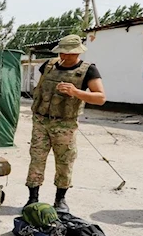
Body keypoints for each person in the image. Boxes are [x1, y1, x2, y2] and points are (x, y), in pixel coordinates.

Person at [24, 34, 106, 213]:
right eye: (62, 52)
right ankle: (33, 198)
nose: (65, 56)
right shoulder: (48, 66)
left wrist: (76, 92)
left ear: (78, 52)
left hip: (65, 125)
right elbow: (40, 89)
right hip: (41, 121)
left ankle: (60, 200)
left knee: (64, 161)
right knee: (36, 159)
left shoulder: (88, 70)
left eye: (70, 53)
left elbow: (100, 98)